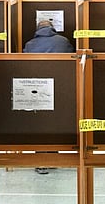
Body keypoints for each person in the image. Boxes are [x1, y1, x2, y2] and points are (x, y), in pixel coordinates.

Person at [23, 20, 75, 174]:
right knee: (56, 123)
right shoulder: (64, 42)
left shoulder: (30, 44)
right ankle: (53, 157)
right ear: (52, 29)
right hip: (61, 88)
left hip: (37, 90)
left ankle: (41, 161)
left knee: (39, 125)